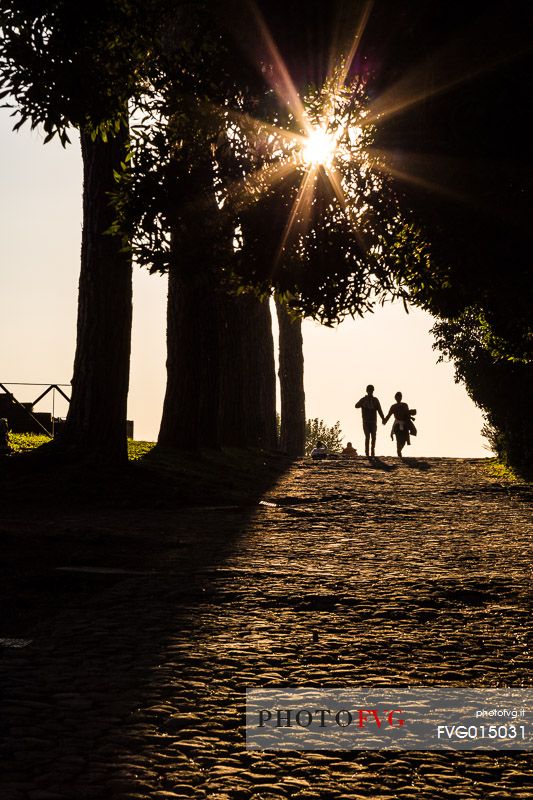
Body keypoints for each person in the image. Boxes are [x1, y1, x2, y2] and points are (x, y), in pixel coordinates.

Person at [383, 392, 417, 459]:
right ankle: (398, 451)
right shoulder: (393, 406)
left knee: (404, 440)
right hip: (397, 424)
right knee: (398, 439)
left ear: (401, 397)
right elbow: (389, 415)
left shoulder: (405, 405)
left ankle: (399, 450)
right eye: (397, 397)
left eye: (400, 396)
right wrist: (385, 421)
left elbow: (407, 414)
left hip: (405, 424)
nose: (399, 398)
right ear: (395, 398)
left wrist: (411, 417)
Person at [355, 385, 385, 458]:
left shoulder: (375, 400)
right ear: (367, 391)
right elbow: (356, 406)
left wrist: (383, 418)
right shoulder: (363, 399)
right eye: (369, 390)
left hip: (373, 421)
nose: (370, 391)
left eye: (371, 390)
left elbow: (379, 410)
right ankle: (367, 452)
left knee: (374, 436)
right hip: (366, 421)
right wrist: (363, 403)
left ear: (373, 391)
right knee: (367, 437)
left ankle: (372, 450)